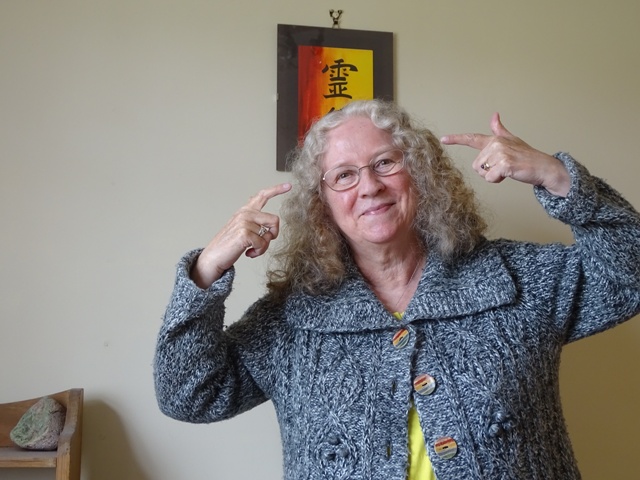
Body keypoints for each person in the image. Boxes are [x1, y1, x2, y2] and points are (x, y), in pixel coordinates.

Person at [154, 99, 640, 480]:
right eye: (344, 175)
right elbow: (189, 395)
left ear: (420, 174)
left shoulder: (513, 278)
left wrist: (557, 177)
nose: (369, 186)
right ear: (322, 204)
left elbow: (629, 276)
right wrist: (206, 270)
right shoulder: (292, 319)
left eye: (385, 162)